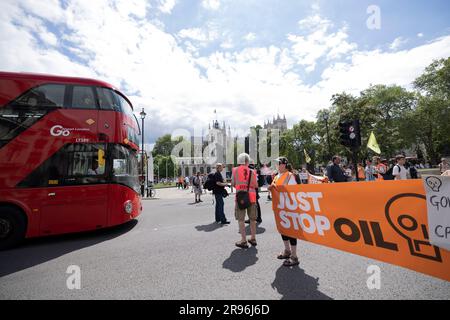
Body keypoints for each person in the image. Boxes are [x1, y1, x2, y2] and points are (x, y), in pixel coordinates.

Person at [268, 157, 300, 267]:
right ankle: (287, 251)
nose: (277, 165)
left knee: (291, 232)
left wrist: (277, 188)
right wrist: (271, 187)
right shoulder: (277, 176)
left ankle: (294, 256)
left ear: (284, 165)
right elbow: (274, 187)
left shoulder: (290, 176)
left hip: (289, 208)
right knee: (283, 230)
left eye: (278, 163)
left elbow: (294, 191)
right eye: (276, 163)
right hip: (279, 207)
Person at [232, 153, 258, 249]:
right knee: (252, 219)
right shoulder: (252, 171)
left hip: (240, 197)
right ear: (247, 161)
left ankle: (243, 240)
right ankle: (253, 238)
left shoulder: (235, 170)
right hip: (251, 196)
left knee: (241, 219)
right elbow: (255, 185)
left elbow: (233, 184)